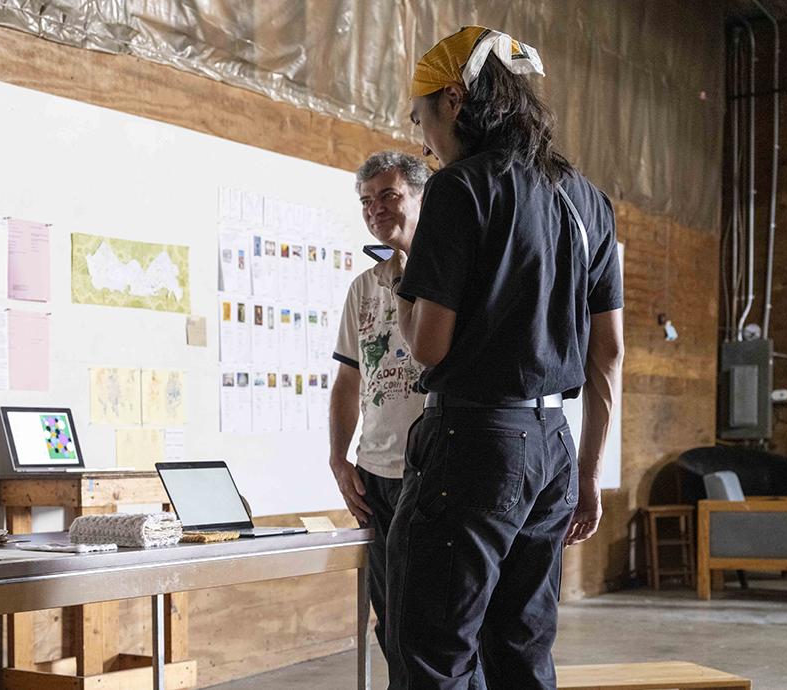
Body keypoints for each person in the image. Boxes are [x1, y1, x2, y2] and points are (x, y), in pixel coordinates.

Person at [386, 26, 624, 689]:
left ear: (453, 100)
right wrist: (587, 473)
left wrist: (405, 291)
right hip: (552, 447)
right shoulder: (587, 200)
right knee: (521, 652)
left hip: (474, 442)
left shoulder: (459, 189)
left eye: (420, 120)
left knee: (433, 654)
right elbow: (608, 355)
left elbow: (429, 346)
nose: (424, 142)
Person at [328, 150, 431, 676]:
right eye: (367, 201)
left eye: (389, 195)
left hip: (431, 468)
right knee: (388, 618)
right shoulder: (364, 287)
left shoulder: (446, 276)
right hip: (375, 474)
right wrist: (338, 458)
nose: (376, 209)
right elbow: (348, 380)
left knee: (432, 622)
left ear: (420, 197)